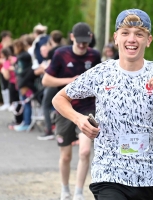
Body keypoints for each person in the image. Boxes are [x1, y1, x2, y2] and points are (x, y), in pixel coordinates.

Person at [52, 8, 153, 200]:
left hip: (150, 178)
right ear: (116, 38)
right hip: (109, 174)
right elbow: (59, 98)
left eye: (139, 34)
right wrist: (79, 119)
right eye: (125, 33)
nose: (131, 39)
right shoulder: (101, 73)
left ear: (148, 40)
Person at [42, 22, 101, 200]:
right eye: (79, 42)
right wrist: (70, 81)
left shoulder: (94, 55)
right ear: (72, 37)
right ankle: (65, 190)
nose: (83, 46)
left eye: (86, 42)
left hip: (88, 108)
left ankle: (78, 192)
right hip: (65, 108)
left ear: (90, 39)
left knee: (84, 151)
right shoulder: (61, 54)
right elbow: (46, 80)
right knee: (66, 156)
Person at [37, 30, 64, 140]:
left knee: (45, 105)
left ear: (51, 40)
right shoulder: (65, 49)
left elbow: (50, 69)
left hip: (54, 81)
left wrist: (43, 69)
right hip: (65, 81)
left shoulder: (52, 52)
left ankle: (49, 129)